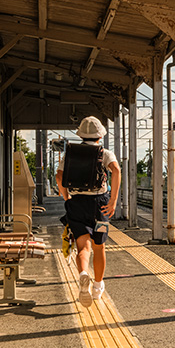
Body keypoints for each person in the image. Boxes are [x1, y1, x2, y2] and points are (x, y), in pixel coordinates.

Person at [56, 116, 121, 307]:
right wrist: (113, 200)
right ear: (100, 135)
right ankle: (98, 287)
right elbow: (116, 171)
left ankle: (83, 274)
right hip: (99, 206)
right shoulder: (105, 153)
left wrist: (67, 196)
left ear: (81, 135)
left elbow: (59, 177)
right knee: (99, 247)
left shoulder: (70, 154)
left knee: (83, 246)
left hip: (76, 204)